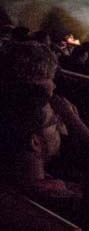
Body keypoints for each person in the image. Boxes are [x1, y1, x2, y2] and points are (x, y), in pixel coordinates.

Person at [0, 84, 80, 219]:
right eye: (54, 121)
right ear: (35, 142)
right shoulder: (61, 201)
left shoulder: (11, 179)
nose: (60, 128)